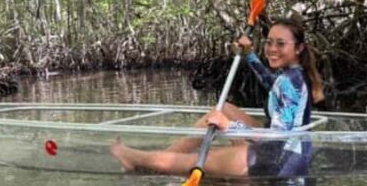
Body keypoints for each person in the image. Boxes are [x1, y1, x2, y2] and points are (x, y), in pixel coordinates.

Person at [110, 16, 325, 177]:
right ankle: (160, 158)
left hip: (278, 162)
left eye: (280, 44)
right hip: (289, 154)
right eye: (269, 42)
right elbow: (273, 85)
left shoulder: (290, 82)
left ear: (299, 48)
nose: (271, 49)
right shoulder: (293, 75)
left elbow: (277, 137)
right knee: (224, 109)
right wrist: (249, 55)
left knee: (193, 161)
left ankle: (137, 159)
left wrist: (229, 127)